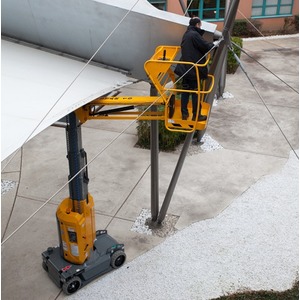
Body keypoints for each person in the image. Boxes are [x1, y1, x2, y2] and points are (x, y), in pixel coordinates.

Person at [175, 17, 214, 121]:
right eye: (200, 25)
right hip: (194, 69)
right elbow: (205, 46)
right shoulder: (194, 35)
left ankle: (184, 114)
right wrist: (214, 45)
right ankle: (196, 115)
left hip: (185, 68)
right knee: (196, 93)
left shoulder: (187, 34)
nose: (200, 27)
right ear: (197, 24)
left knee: (185, 91)